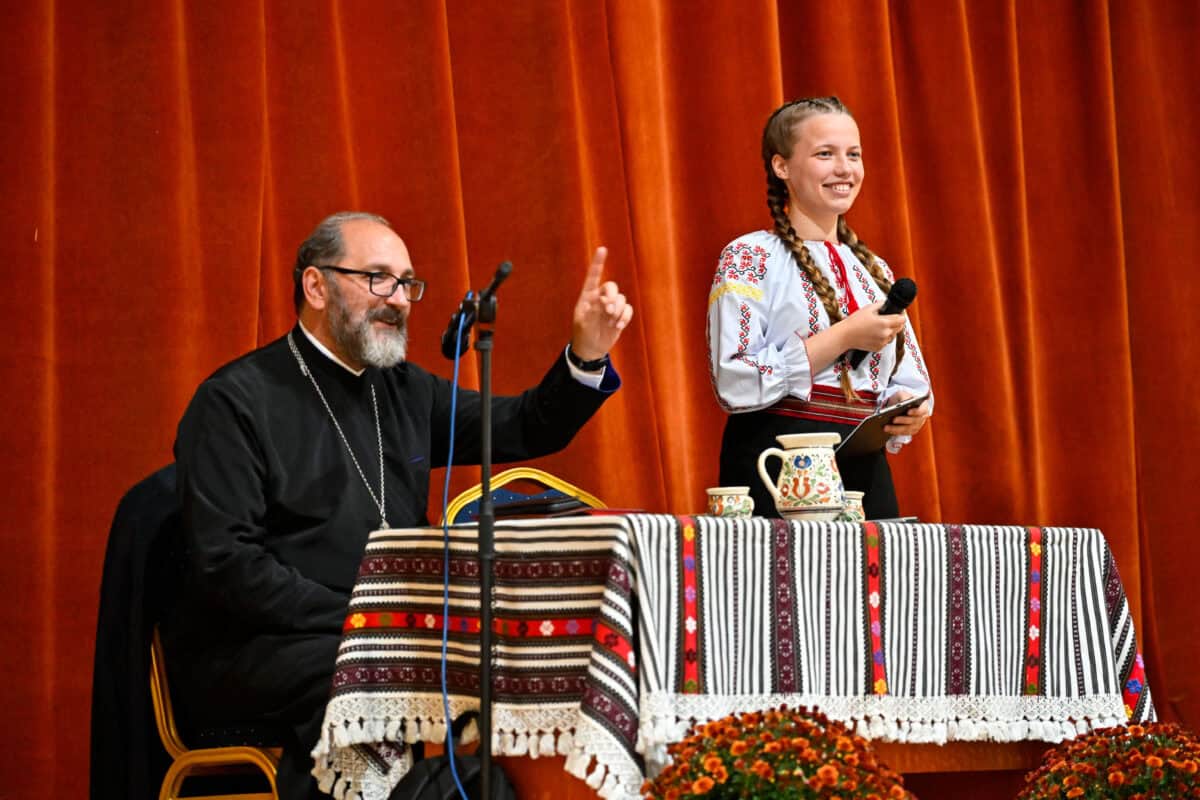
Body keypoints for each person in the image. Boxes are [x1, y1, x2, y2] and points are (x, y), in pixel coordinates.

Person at [161, 211, 633, 799]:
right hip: (264, 646)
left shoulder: (403, 390)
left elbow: (524, 426)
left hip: (386, 635)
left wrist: (585, 356)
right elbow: (228, 567)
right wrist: (367, 624)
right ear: (315, 286)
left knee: (521, 661)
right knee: (366, 674)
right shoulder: (234, 401)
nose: (400, 300)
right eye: (378, 279)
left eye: (407, 283)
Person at [707, 97, 932, 520]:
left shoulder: (873, 269)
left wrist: (906, 405)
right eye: (825, 154)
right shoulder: (750, 257)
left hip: (864, 470)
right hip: (776, 461)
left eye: (854, 154)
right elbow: (733, 380)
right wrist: (843, 336)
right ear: (782, 167)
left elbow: (908, 377)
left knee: (872, 586)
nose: (844, 168)